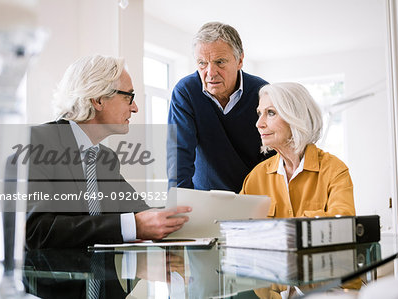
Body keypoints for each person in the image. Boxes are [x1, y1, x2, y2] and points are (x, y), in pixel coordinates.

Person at [24, 55, 191, 249]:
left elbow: (144, 213)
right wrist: (133, 226)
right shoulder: (36, 142)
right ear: (98, 99)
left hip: (106, 278)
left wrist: (198, 216)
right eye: (128, 97)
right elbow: (34, 231)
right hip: (56, 277)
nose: (135, 108)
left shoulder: (105, 158)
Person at [167, 22, 269, 192]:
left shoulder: (263, 92)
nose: (210, 72)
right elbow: (179, 154)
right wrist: (179, 206)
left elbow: (272, 153)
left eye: (220, 62)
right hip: (205, 196)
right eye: (202, 63)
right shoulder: (186, 92)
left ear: (240, 60)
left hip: (253, 195)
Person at [240, 82, 355, 218]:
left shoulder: (334, 170)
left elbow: (344, 224)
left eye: (271, 113)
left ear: (296, 117)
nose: (259, 124)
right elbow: (238, 230)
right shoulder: (256, 177)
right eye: (260, 113)